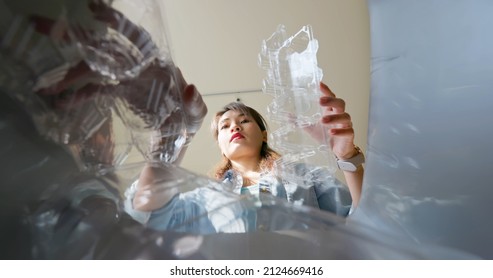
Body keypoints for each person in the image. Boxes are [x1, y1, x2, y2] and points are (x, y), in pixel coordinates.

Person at [127, 81, 365, 232]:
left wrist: (348, 157)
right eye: (224, 126)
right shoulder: (204, 198)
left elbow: (363, 225)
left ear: (263, 135)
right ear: (220, 145)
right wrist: (169, 144)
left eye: (244, 121)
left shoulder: (305, 177)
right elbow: (143, 220)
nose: (234, 128)